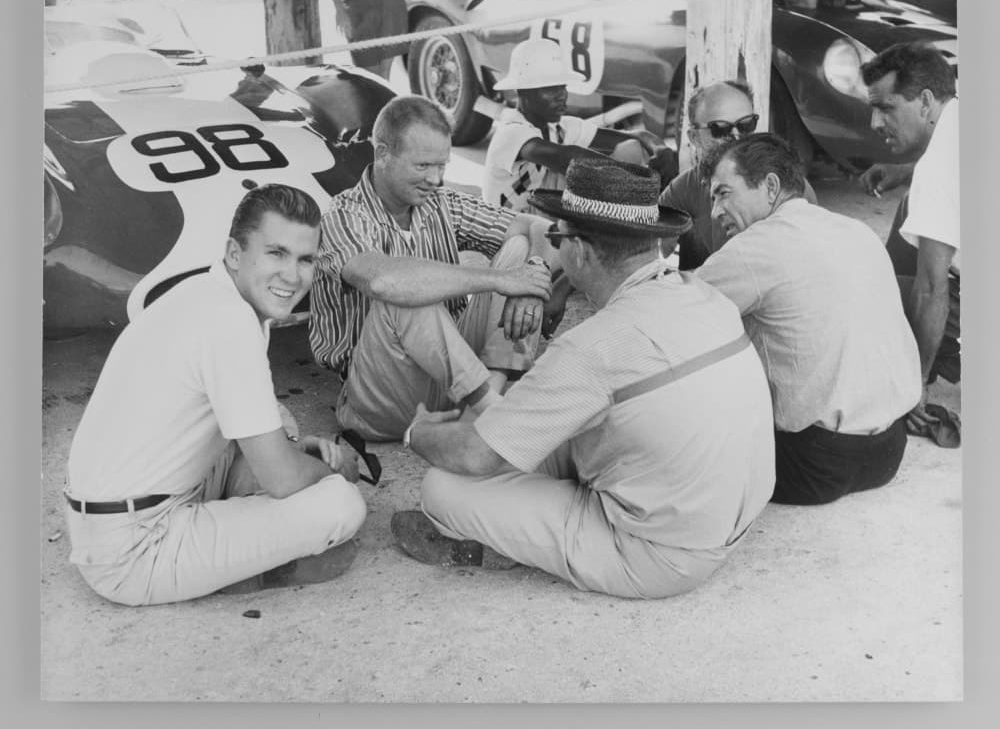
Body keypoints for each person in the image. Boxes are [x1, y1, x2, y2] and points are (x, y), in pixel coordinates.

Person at [390, 157, 776, 599]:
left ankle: (496, 547)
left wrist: (417, 434)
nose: (553, 246)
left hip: (661, 556)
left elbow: (477, 457)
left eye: (557, 236)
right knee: (537, 431)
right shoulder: (705, 295)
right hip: (733, 516)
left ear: (582, 251)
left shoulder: (591, 348)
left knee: (443, 487)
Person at [63, 185, 368, 606]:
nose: (293, 275)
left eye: (305, 259)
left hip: (119, 511)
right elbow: (281, 480)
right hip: (133, 550)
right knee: (342, 504)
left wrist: (296, 454)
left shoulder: (210, 295)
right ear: (234, 254)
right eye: (276, 253)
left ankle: (232, 545)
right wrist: (331, 472)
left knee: (280, 423)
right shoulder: (229, 322)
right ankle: (242, 568)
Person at [308, 95, 556, 442]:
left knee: (519, 248)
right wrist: (503, 281)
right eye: (423, 166)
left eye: (442, 166)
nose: (436, 179)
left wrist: (534, 273)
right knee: (406, 291)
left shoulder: (440, 202)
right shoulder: (344, 216)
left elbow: (538, 228)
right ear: (382, 155)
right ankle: (492, 414)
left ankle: (487, 402)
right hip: (382, 396)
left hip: (452, 378)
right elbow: (384, 282)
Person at [696, 134, 922, 506]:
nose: (716, 212)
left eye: (723, 193)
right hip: (889, 452)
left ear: (770, 186)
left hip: (815, 465)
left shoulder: (757, 247)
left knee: (675, 432)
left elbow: (671, 311)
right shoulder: (856, 230)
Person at [860, 42, 961, 434]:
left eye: (885, 108)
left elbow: (933, 288)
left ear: (924, 101)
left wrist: (913, 383)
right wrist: (906, 170)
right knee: (909, 208)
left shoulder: (938, 169)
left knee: (867, 293)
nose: (874, 123)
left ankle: (919, 361)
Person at [482, 38, 669, 211]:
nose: (562, 95)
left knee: (632, 149)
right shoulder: (511, 131)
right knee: (583, 171)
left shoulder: (559, 128)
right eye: (550, 88)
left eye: (562, 86)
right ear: (522, 91)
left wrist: (657, 146)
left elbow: (631, 138)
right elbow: (566, 157)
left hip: (535, 216)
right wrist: (634, 179)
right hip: (506, 228)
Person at [660, 80, 818, 270]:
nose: (736, 137)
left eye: (745, 125)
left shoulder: (790, 186)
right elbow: (656, 252)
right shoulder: (684, 189)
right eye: (720, 129)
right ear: (694, 137)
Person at [317, 0, 409, 81]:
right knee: (366, 67)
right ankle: (380, 98)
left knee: (385, 70)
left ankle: (384, 99)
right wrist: (339, 8)